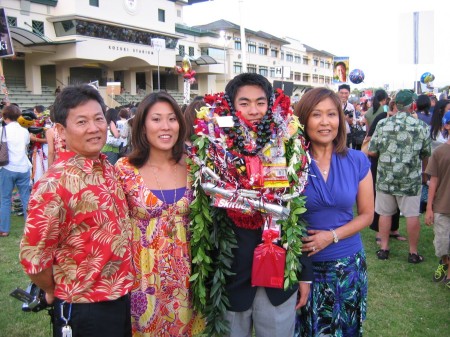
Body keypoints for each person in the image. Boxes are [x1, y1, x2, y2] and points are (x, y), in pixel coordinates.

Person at [189, 73, 312, 337]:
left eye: (260, 102)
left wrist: (304, 273)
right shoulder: (212, 146)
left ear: (270, 104)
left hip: (278, 277)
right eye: (244, 103)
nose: (253, 111)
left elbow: (298, 212)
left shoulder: (288, 143)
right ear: (231, 106)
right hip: (230, 275)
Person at [19, 85, 134, 337]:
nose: (93, 128)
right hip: (84, 307)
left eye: (98, 119)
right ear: (61, 130)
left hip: (121, 297)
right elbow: (34, 258)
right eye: (81, 121)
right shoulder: (54, 184)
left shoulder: (108, 169)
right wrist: (52, 289)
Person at [115, 92, 203, 336]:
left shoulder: (195, 165)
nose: (166, 127)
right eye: (156, 119)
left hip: (189, 280)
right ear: (142, 126)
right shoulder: (124, 170)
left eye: (172, 119)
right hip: (144, 281)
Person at [293, 87, 373, 336]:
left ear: (340, 118)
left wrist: (332, 235)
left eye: (332, 114)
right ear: (303, 120)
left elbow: (367, 214)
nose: (325, 122)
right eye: (317, 115)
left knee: (345, 330)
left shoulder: (357, 161)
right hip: (303, 269)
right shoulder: (290, 163)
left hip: (347, 266)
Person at [368, 89, 431, 263]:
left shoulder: (383, 124)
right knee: (411, 215)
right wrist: (424, 174)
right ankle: (413, 252)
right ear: (413, 105)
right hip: (410, 179)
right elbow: (426, 154)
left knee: (384, 213)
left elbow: (372, 151)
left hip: (385, 178)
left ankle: (384, 249)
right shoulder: (422, 127)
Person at [425, 111, 450, 289]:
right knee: (441, 243)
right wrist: (429, 208)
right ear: (446, 126)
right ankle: (444, 261)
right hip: (442, 205)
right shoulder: (440, 152)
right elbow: (433, 181)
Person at [0, 105, 32, 237]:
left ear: (5, 117)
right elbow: (26, 144)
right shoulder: (24, 131)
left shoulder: (3, 129)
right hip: (23, 167)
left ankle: (4, 229)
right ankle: (30, 228)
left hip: (8, 167)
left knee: (5, 198)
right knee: (26, 198)